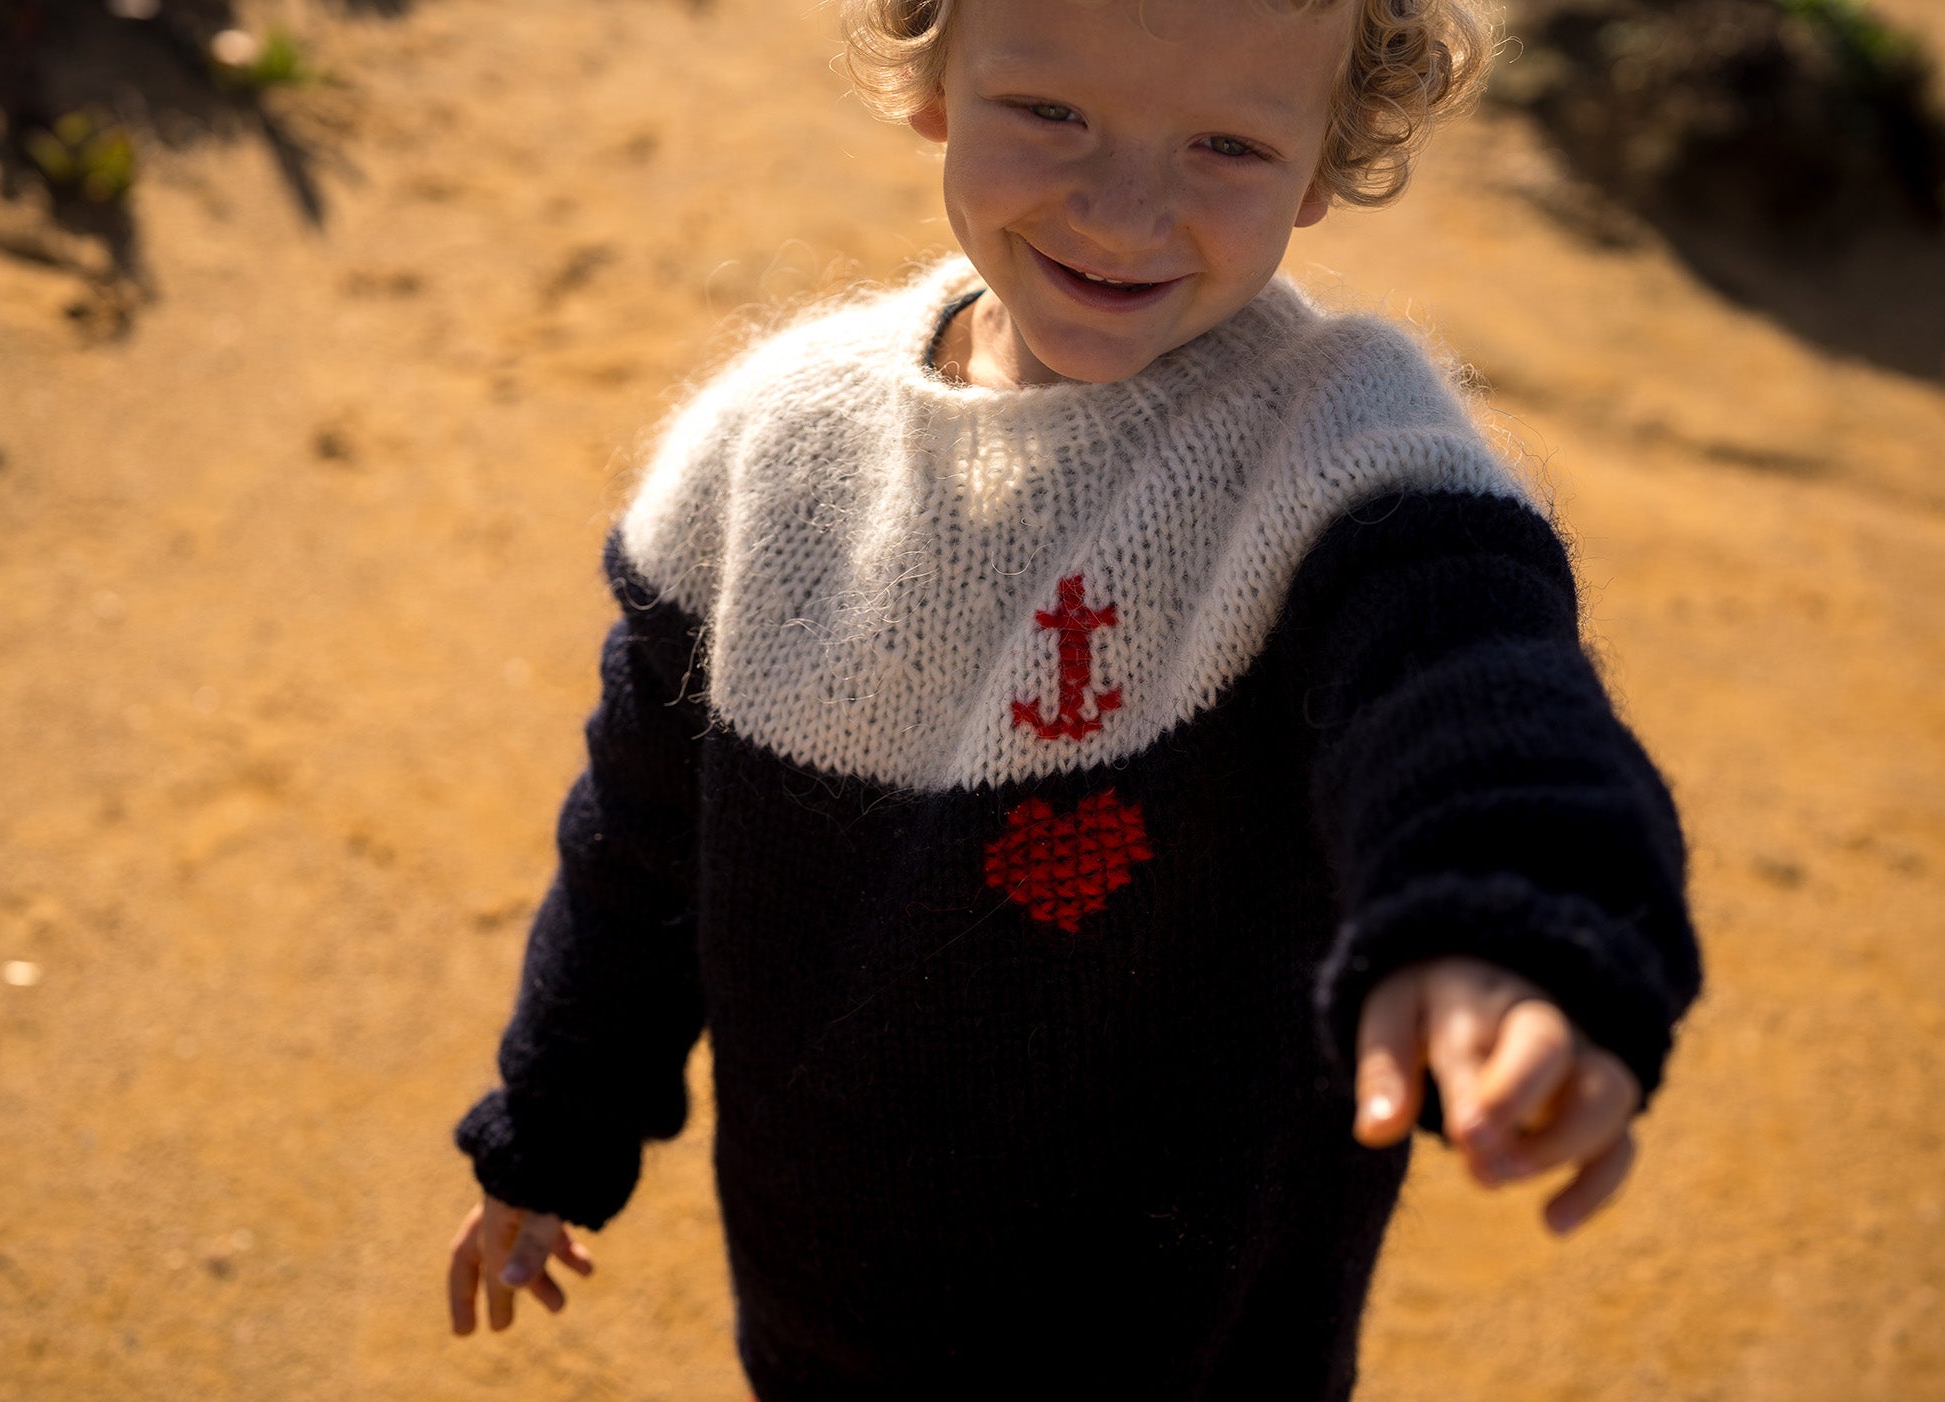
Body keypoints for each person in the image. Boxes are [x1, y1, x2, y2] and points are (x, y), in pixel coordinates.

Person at [445, 0, 1701, 1396]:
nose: (1121, 208)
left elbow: (1467, 679)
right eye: (1051, 114)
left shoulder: (1342, 442)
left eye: (1225, 143)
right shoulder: (767, 455)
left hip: (1199, 1335)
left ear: (1324, 159)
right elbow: (637, 841)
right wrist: (555, 1123)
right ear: (934, 73)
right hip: (827, 1297)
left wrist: (1501, 921)